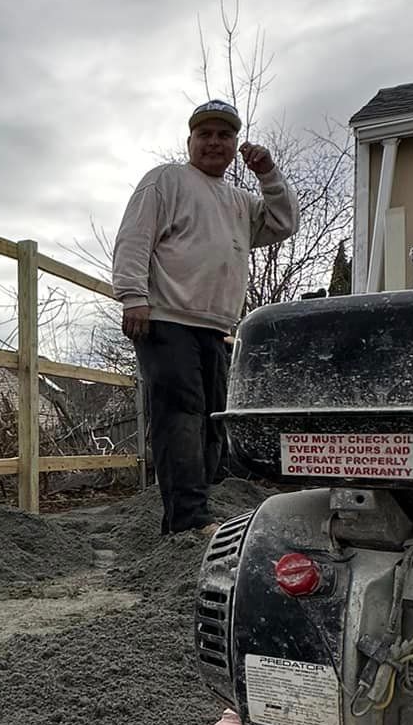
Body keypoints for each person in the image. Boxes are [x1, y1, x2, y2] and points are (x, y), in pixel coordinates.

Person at [112, 99, 296, 535]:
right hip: (165, 319)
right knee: (181, 415)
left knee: (213, 421)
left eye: (224, 136)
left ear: (235, 145)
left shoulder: (239, 202)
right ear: (189, 140)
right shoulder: (167, 180)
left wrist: (268, 172)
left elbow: (283, 222)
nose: (214, 142)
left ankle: (199, 509)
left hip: (215, 328)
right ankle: (186, 520)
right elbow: (134, 237)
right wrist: (133, 296)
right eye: (205, 134)